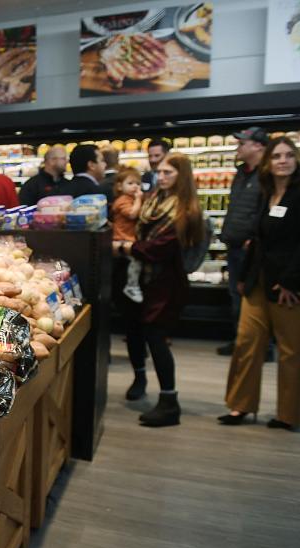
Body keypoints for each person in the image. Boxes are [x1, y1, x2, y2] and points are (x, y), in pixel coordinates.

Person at [113, 153, 204, 427]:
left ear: (182, 176)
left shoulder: (185, 210)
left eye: (169, 173)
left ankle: (169, 401)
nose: (162, 177)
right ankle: (139, 377)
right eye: (161, 172)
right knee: (135, 331)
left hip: (164, 283)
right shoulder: (154, 200)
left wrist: (124, 247)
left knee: (156, 336)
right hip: (140, 280)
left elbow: (160, 248)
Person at [219, 136, 300, 430]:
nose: (282, 160)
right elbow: (257, 241)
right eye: (277, 156)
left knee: (291, 351)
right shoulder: (267, 194)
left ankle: (288, 414)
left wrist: (291, 282)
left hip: (287, 285)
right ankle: (240, 406)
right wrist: (243, 277)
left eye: (288, 155)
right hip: (257, 281)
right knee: (246, 342)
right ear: (269, 162)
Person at [216, 127, 269, 356]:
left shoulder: (267, 175)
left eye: (242, 144)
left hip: (253, 248)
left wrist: (254, 239)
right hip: (235, 245)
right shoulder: (241, 172)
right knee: (236, 295)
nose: (238, 148)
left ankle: (262, 346)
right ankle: (241, 340)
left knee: (256, 297)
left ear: (258, 146)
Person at [110, 167, 145, 305]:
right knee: (135, 261)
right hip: (122, 238)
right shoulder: (123, 200)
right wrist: (138, 199)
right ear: (119, 186)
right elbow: (132, 214)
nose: (135, 186)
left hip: (128, 237)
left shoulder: (129, 198)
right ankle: (132, 285)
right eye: (130, 183)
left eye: (137, 183)